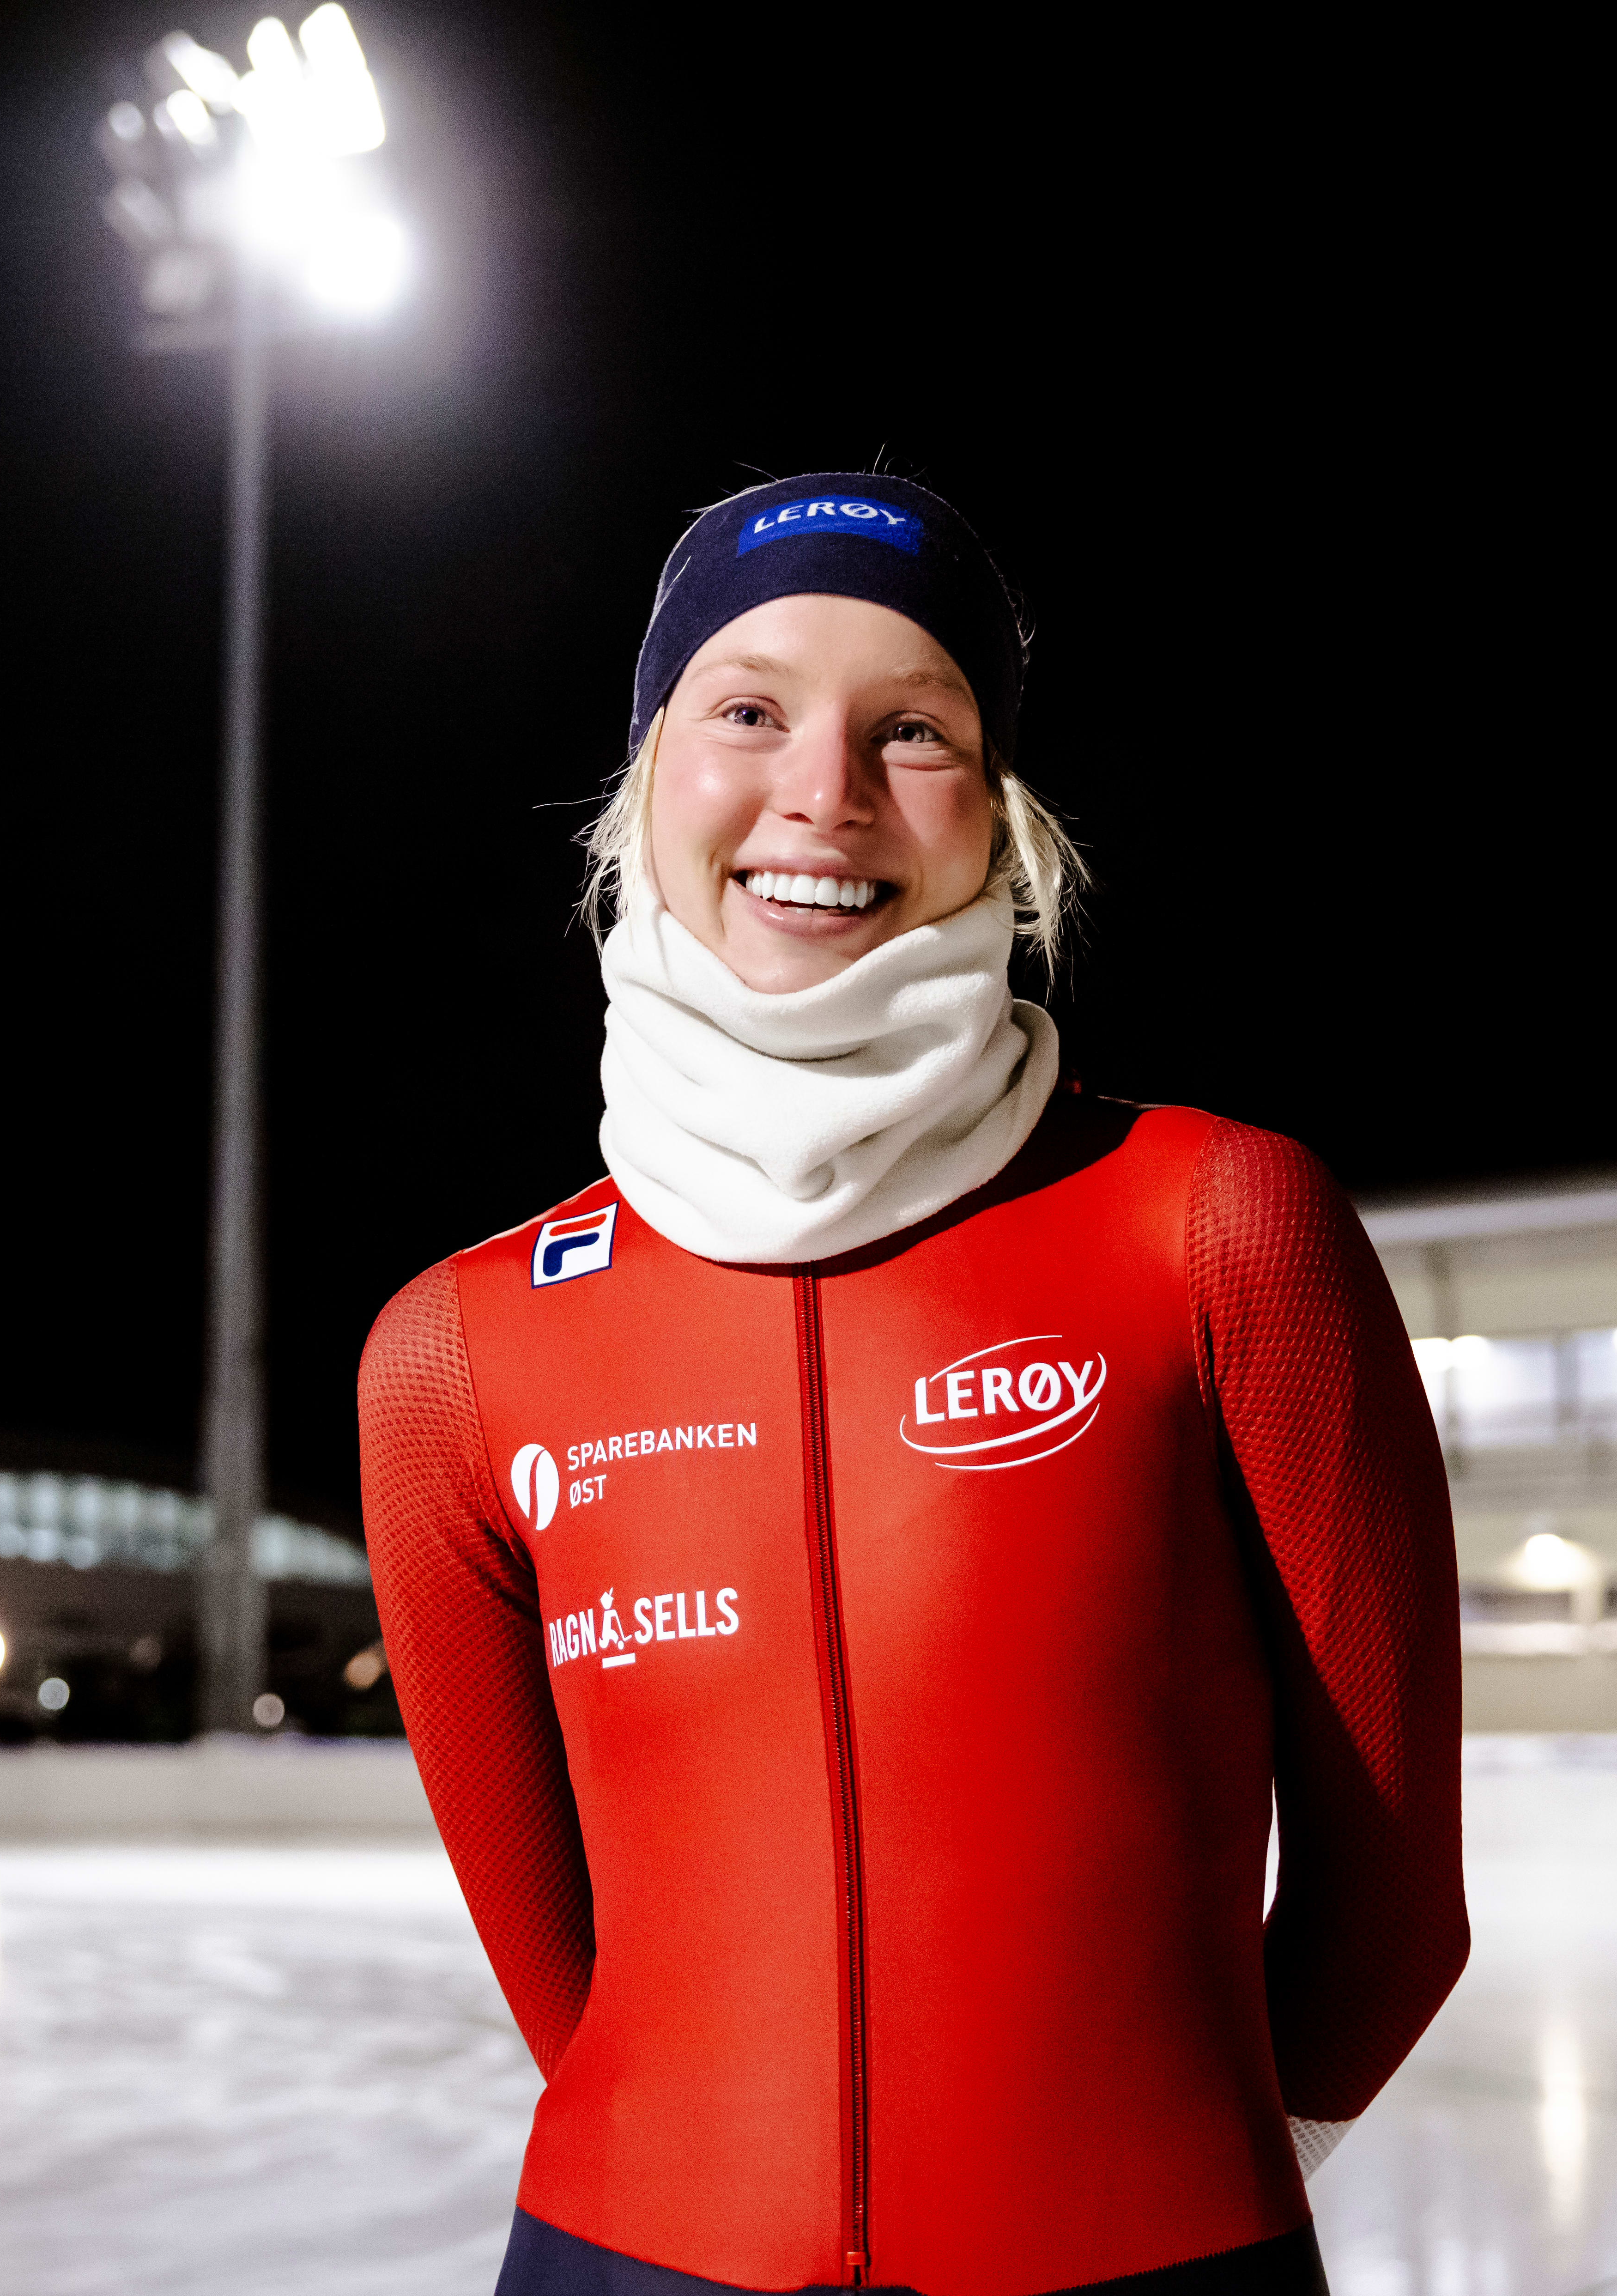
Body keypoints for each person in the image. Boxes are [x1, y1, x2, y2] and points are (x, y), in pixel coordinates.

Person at [359, 473, 1467, 2296]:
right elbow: (564, 1977)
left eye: (916, 730)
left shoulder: (1220, 1227)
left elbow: (1392, 1914)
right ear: (647, 775)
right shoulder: (455, 1351)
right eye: (748, 709)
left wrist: (1148, 2187)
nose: (825, 791)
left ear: (1004, 815)